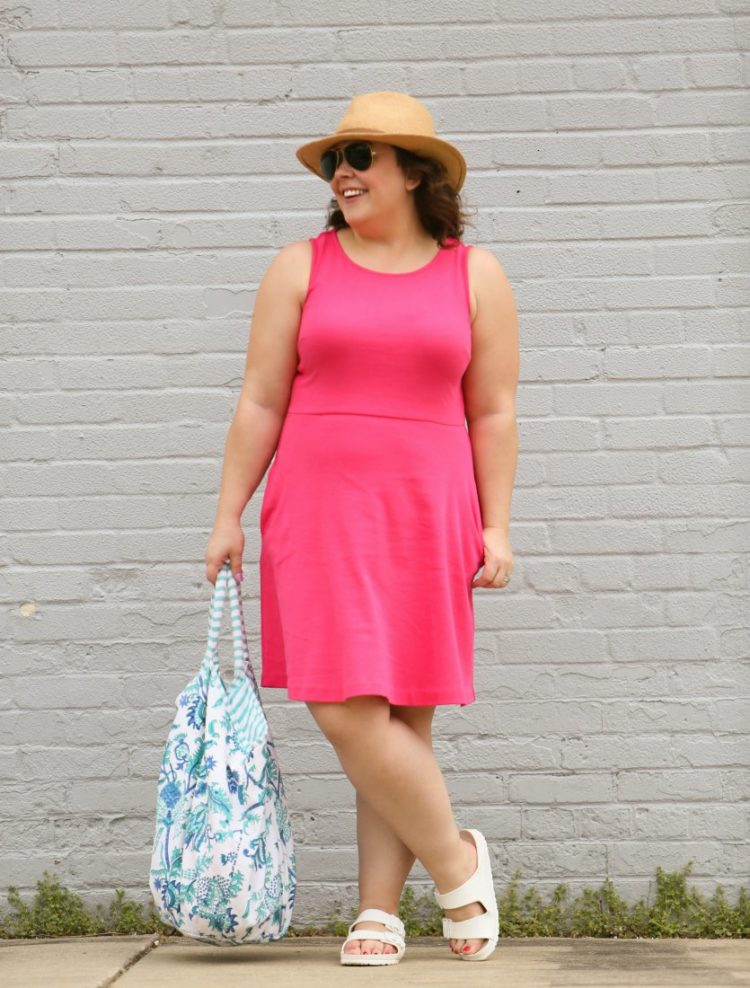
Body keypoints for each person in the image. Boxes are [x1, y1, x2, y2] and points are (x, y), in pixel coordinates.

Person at [205, 91, 519, 966]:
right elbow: (262, 399)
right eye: (336, 157)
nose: (342, 170)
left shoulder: (475, 275)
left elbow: (492, 412)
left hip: (427, 505)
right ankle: (460, 864)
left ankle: (378, 911)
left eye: (363, 155)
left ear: (415, 172)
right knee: (343, 704)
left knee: (401, 714)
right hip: (317, 506)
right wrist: (228, 513)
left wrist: (497, 527)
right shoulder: (300, 267)